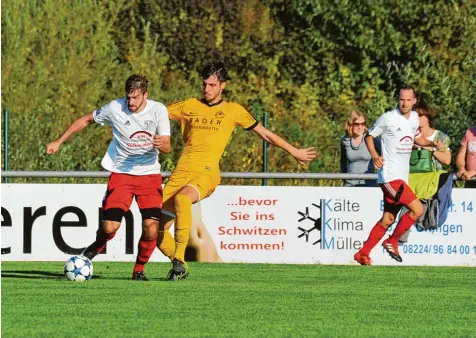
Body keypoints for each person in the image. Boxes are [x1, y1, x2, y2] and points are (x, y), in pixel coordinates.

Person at [134, 61, 317, 280]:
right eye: (204, 84)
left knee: (183, 199)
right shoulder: (189, 105)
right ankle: (179, 263)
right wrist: (137, 102)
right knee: (154, 229)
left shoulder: (233, 111)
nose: (206, 89)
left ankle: (180, 260)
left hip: (206, 172)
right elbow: (156, 112)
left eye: (212, 85)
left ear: (223, 85)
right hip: (180, 172)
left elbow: (265, 134)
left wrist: (294, 151)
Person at [46, 74, 171, 280]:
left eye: (136, 98)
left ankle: (139, 270)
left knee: (151, 227)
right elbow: (86, 119)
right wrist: (59, 141)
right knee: (110, 227)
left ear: (145, 95)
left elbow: (167, 146)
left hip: (149, 176)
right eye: (128, 97)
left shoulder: (158, 110)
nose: (130, 102)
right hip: (122, 174)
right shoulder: (115, 108)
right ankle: (95, 247)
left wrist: (162, 144)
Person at [353, 86, 437, 265]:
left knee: (388, 219)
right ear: (398, 99)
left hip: (401, 178)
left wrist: (432, 145)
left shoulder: (414, 118)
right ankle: (391, 241)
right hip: (390, 177)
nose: (404, 103)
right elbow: (369, 136)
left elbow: (416, 138)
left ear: (414, 101)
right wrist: (375, 156)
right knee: (418, 209)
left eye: (408, 100)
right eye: (401, 99)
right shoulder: (388, 118)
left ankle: (362, 253)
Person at [399, 102, 452, 244]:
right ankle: (399, 241)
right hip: (412, 180)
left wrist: (431, 149)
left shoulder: (440, 136)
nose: (418, 118)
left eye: (421, 115)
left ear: (428, 117)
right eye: (416, 115)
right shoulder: (409, 135)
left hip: (432, 181)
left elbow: (447, 160)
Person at [340, 110, 381, 187]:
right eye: (356, 124)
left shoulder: (371, 138)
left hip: (368, 184)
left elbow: (385, 154)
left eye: (362, 124)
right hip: (350, 184)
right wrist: (344, 178)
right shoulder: (345, 140)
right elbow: (343, 162)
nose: (360, 127)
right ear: (350, 125)